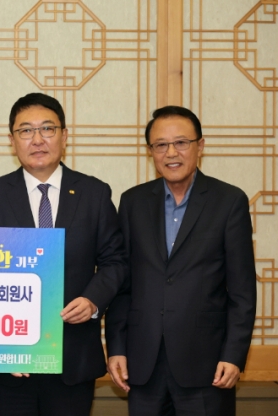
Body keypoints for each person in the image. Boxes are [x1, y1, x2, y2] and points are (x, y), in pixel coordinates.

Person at [0, 92, 127, 416]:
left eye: (47, 129)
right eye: (26, 130)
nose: (37, 139)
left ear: (64, 136)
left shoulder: (94, 194)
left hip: (73, 356)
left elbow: (115, 261)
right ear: (12, 140)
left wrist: (93, 300)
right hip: (9, 359)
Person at [105, 106, 257, 416]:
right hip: (143, 362)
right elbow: (123, 284)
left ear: (200, 146)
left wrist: (233, 354)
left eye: (181, 142)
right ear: (151, 151)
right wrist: (116, 347)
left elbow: (242, 291)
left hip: (207, 364)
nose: (171, 153)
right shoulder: (132, 202)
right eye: (161, 144)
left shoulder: (229, 201)